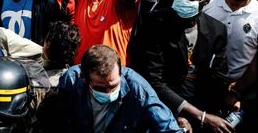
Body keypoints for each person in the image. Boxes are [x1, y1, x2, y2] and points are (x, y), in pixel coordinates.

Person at [133, 0, 231, 132]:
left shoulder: (216, 30)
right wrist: (194, 115)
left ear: (205, 0)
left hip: (202, 108)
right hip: (163, 106)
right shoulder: (156, 23)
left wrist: (209, 113)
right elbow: (153, 80)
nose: (183, 1)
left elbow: (218, 76)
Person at [42, 45, 184, 133]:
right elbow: (56, 122)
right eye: (100, 88)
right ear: (84, 79)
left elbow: (167, 127)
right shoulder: (71, 81)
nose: (109, 93)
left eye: (113, 86)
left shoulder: (138, 90)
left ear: (120, 73)